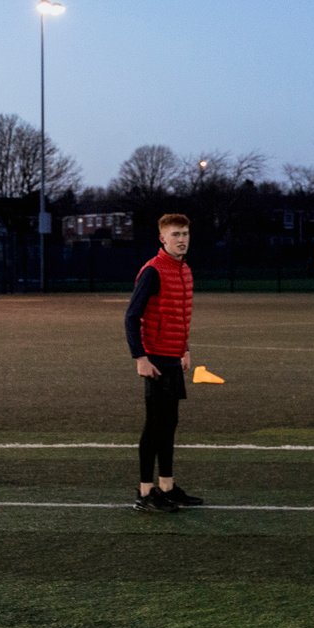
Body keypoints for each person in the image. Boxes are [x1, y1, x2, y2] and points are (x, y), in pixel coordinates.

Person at [123, 213, 206, 512]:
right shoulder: (153, 271)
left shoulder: (184, 270)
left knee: (169, 424)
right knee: (154, 425)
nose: (182, 239)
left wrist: (184, 349)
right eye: (175, 235)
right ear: (163, 238)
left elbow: (178, 315)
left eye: (185, 233)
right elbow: (132, 316)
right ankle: (145, 493)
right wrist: (140, 358)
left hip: (172, 357)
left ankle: (167, 487)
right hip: (155, 359)